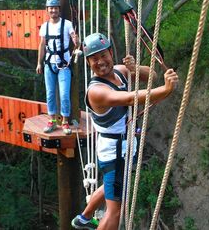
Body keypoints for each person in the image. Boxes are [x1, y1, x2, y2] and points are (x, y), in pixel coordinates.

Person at [71, 33, 179, 230]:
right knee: (115, 211)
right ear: (88, 62)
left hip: (121, 146)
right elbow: (129, 99)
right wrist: (165, 90)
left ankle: (84, 218)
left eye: (103, 55)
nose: (100, 62)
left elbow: (151, 75)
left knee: (110, 185)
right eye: (94, 59)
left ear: (111, 53)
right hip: (114, 152)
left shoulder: (120, 72)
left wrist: (135, 68)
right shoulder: (96, 91)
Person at [36, 0, 78, 135]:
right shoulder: (44, 26)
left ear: (59, 10)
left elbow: (73, 35)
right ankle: (52, 120)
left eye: (55, 8)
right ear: (47, 10)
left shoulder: (66, 24)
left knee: (64, 94)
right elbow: (42, 45)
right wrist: (39, 63)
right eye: (51, 8)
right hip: (49, 64)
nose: (53, 10)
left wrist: (75, 39)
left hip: (63, 64)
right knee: (50, 93)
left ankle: (65, 121)